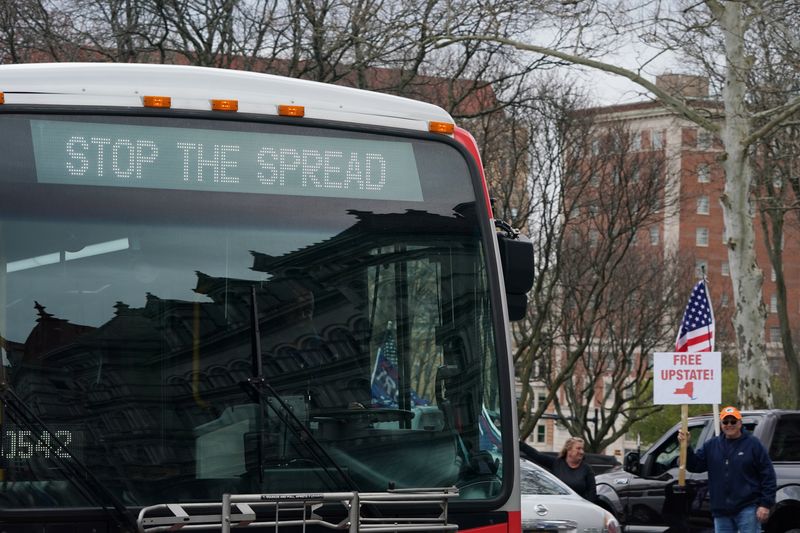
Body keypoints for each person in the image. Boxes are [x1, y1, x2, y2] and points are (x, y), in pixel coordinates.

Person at [677, 405, 776, 533]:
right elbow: (695, 466)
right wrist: (686, 446)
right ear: (721, 424)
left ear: (740, 423)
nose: (729, 425)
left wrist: (765, 504)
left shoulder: (753, 444)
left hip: (747, 508)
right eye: (725, 421)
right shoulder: (711, 445)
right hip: (721, 511)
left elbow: (768, 475)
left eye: (733, 421)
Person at [519, 437, 596, 502]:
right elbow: (536, 455)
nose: (582, 452)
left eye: (582, 449)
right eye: (578, 448)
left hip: (579, 507)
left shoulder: (587, 469)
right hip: (559, 505)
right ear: (569, 449)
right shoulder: (556, 463)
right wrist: (519, 443)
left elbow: (592, 493)